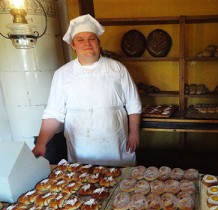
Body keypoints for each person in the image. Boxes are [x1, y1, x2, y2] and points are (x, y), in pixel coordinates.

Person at [32, 14, 142, 167]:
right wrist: (41, 143)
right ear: (73, 45)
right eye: (80, 40)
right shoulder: (62, 74)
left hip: (114, 142)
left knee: (120, 182)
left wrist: (134, 132)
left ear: (99, 42)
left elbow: (133, 103)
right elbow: (53, 113)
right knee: (84, 183)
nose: (87, 43)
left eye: (92, 38)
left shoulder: (117, 68)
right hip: (82, 146)